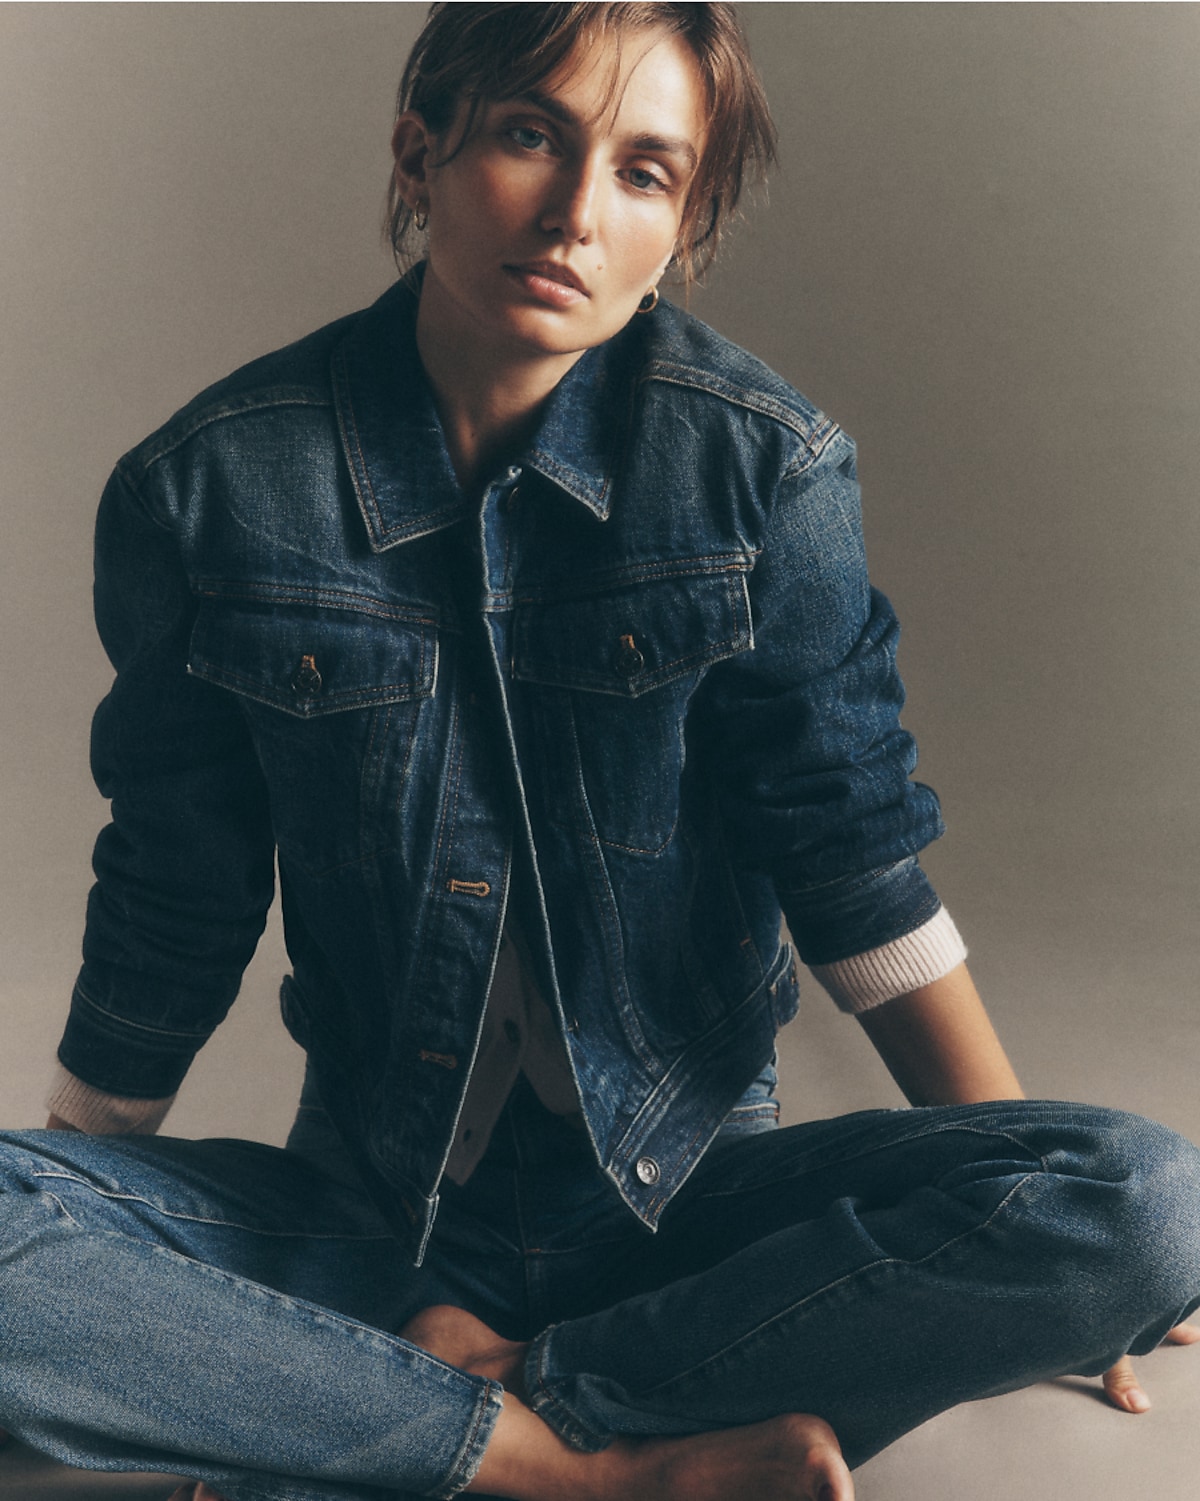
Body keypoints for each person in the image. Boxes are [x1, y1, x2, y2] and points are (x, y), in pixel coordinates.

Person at [2, 6, 1198, 1500]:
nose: (577, 213)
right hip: (374, 1217)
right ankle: (599, 1468)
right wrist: (77, 1198)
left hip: (685, 1208)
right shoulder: (210, 488)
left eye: (645, 172)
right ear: (419, 151)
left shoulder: (761, 468)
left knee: (1150, 1200)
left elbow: (854, 863)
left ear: (683, 224)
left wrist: (1026, 1205)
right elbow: (173, 894)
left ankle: (425, 1405)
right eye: (528, 137)